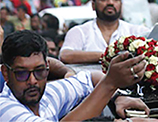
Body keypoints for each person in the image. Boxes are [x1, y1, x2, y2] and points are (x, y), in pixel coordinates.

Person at [0, 30, 149, 121]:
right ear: (5, 73)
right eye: (21, 74)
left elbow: (90, 78)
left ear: (47, 67)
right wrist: (110, 84)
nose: (32, 81)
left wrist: (118, 96)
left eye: (39, 71)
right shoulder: (5, 110)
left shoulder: (47, 95)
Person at [59, 0, 149, 64]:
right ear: (93, 5)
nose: (110, 3)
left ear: (121, 4)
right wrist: (109, 55)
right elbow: (65, 55)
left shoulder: (138, 32)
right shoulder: (79, 32)